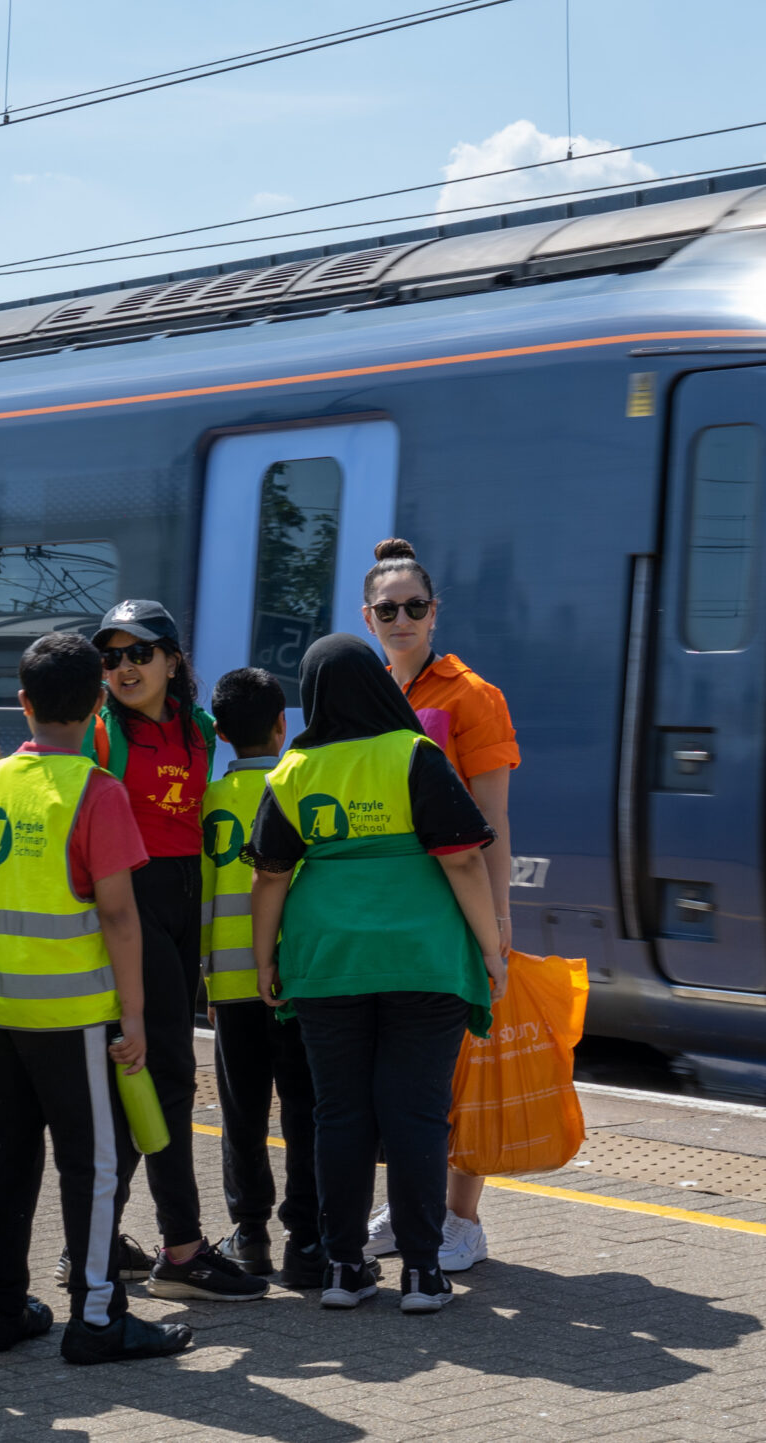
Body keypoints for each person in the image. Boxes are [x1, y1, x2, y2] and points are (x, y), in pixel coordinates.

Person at [248, 635, 502, 1316]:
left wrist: (264, 956)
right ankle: (422, 1270)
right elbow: (464, 861)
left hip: (327, 959)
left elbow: (269, 876)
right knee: (415, 1111)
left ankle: (342, 1266)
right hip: (423, 958)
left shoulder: (293, 768)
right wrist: (492, 948)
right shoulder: (415, 753)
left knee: (340, 1111)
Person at [0, 634, 192, 1365]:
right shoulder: (98, 790)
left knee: (3, 1160)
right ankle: (95, 1317)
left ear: (22, 703)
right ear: (98, 703)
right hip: (72, 1015)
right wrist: (135, 1018)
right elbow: (120, 917)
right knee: (90, 1167)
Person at [82, 601, 260, 1302]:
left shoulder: (201, 728)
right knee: (167, 1074)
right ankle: (181, 1246)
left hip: (185, 899)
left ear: (172, 660)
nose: (124, 666)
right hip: (131, 901)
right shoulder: (102, 735)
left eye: (139, 652)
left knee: (149, 1077)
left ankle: (94, 1241)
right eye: (112, 656)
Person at [356, 538, 521, 1271]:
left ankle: (462, 1218)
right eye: (388, 609)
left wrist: (499, 922)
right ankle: (412, 1203)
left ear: (434, 611)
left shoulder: (472, 697)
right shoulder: (368, 691)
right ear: (368, 616)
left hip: (456, 905)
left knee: (461, 1070)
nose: (402, 619)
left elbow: (492, 821)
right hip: (393, 912)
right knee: (403, 1074)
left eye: (415, 606)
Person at [199, 668, 321, 1289]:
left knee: (242, 1113)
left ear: (218, 733)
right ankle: (309, 1242)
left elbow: (199, 899)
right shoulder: (297, 791)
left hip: (230, 987)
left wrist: (208, 975)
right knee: (304, 1108)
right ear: (283, 725)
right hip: (295, 982)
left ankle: (249, 1236)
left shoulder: (209, 804)